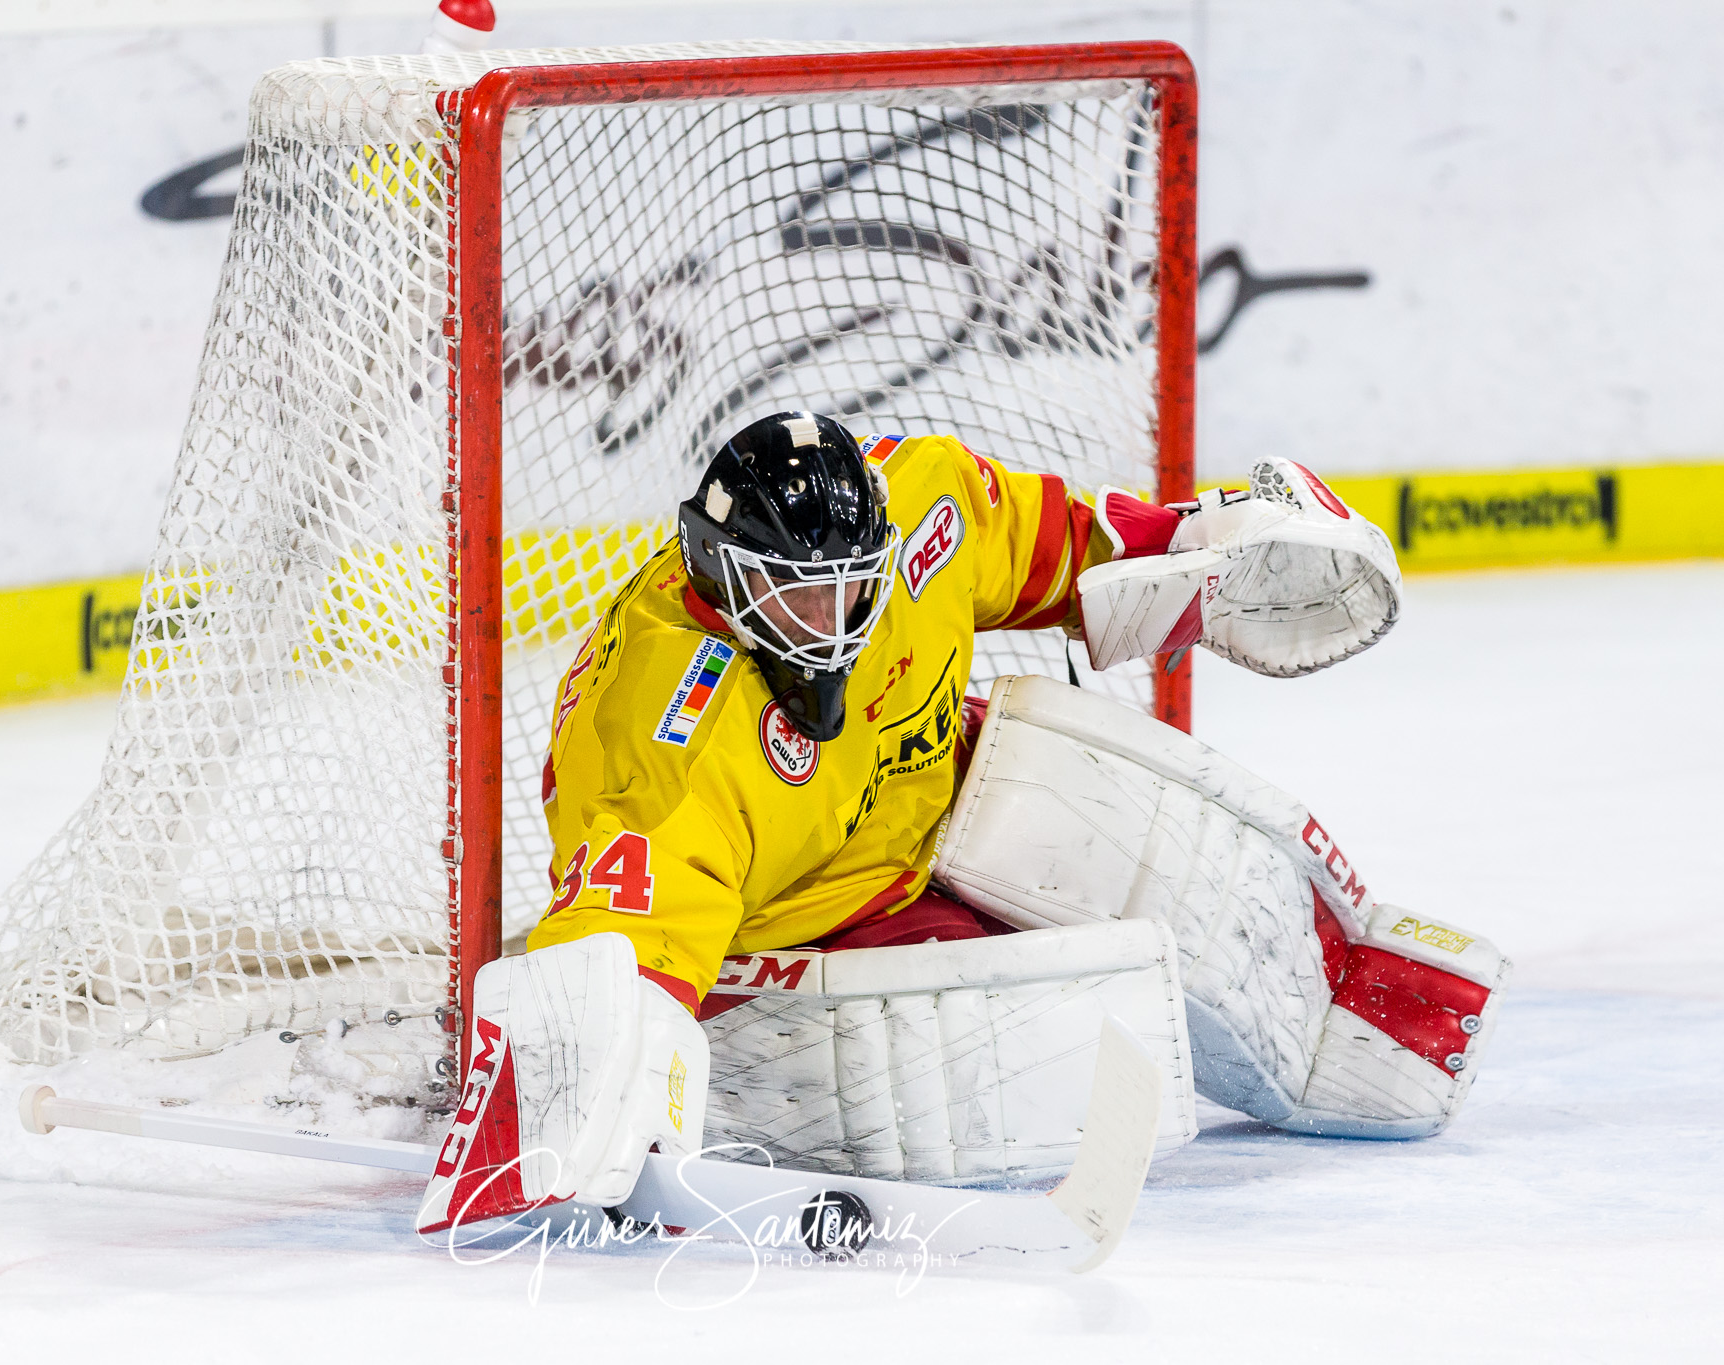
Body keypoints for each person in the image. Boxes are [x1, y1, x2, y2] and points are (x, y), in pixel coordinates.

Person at [418, 412, 1506, 1234]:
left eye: (853, 588)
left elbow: (1052, 547)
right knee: (1070, 1040)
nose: (835, 623)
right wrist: (586, 1083)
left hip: (944, 786)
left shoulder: (922, 510)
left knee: (1194, 863)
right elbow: (624, 943)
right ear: (719, 574)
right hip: (810, 921)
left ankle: (1369, 1020)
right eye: (798, 597)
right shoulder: (666, 747)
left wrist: (1191, 551)